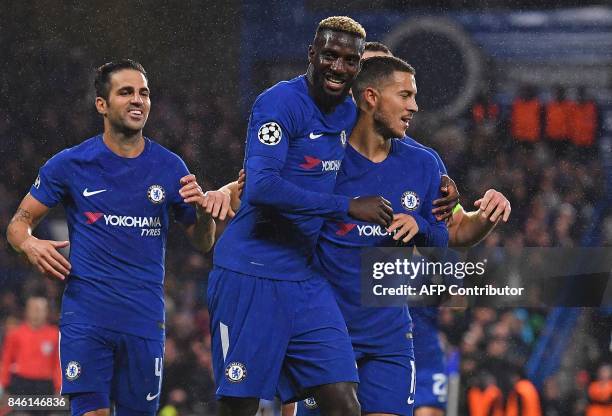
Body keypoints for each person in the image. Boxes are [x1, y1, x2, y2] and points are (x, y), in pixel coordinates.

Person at [290, 42, 510, 416]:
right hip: (325, 332)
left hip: (389, 333)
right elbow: (267, 202)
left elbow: (455, 228)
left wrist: (486, 215)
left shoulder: (424, 164)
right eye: (404, 93)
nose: (413, 105)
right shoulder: (317, 154)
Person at [6, 59, 231, 416]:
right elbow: (18, 224)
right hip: (87, 317)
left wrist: (204, 216)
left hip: (144, 321)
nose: (138, 100)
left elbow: (203, 243)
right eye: (126, 92)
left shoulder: (171, 167)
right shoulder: (70, 164)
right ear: (102, 105)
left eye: (144, 93)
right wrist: (29, 242)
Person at [209, 16, 394, 416]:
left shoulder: (349, 113)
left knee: (344, 403)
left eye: (349, 60)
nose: (338, 67)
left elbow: (389, 149)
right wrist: (346, 206)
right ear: (312, 54)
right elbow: (262, 187)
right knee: (239, 407)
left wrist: (441, 182)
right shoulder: (280, 103)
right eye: (330, 55)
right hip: (249, 273)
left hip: (304, 279)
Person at [0, 296, 60, 395]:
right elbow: (6, 360)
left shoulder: (55, 334)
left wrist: (59, 386)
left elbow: (58, 363)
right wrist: (2, 384)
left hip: (46, 385)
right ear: (27, 311)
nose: (36, 313)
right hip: (21, 383)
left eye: (40, 310)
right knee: (21, 410)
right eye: (33, 309)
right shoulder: (15, 334)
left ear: (46, 312)